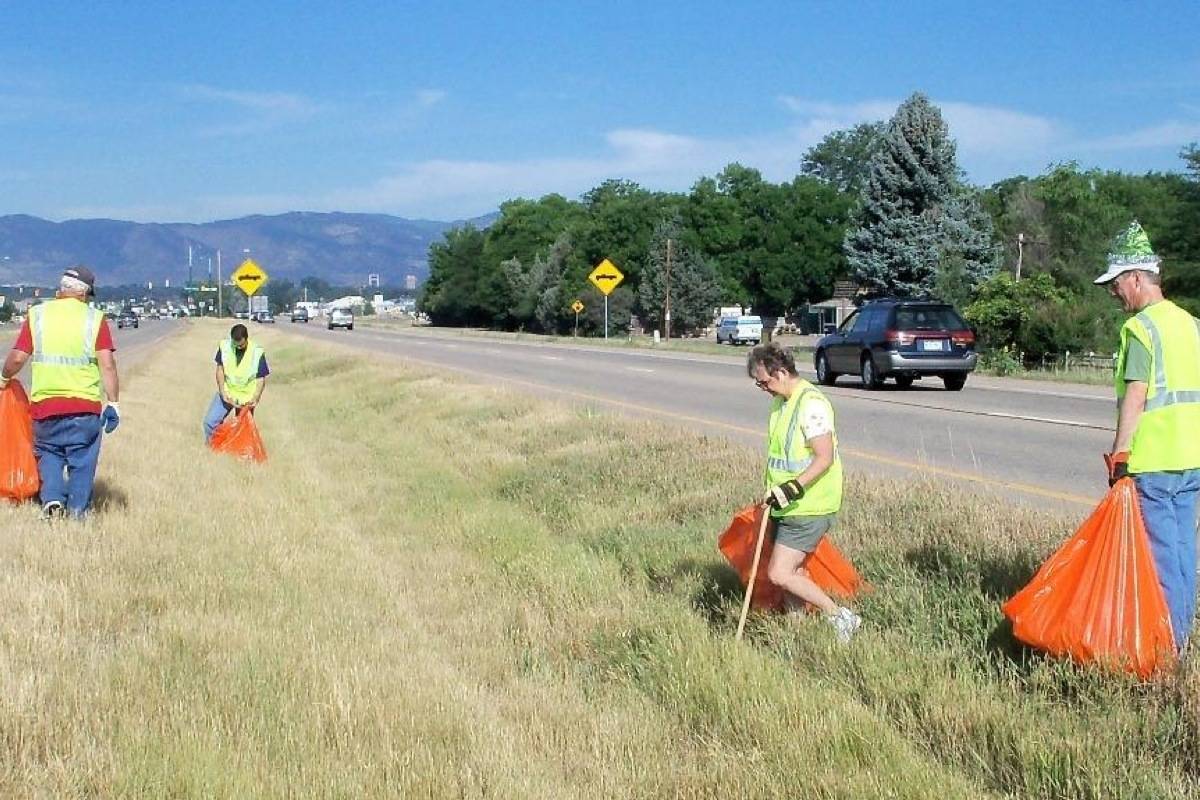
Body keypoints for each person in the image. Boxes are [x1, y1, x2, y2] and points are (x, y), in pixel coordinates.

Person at [1096, 221, 1200, 652]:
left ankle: (1168, 647)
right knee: (1183, 552)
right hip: (1191, 458)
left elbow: (1136, 396)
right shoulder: (1191, 324)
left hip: (1154, 462)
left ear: (1136, 278)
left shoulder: (1140, 329)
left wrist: (1120, 455)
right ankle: (1185, 634)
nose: (1113, 293)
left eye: (1116, 284)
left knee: (1159, 557)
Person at [747, 341, 861, 643]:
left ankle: (840, 616)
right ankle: (796, 636)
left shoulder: (811, 404)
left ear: (782, 372)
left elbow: (824, 457)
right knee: (792, 574)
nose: (763, 388)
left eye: (765, 381)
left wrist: (793, 487)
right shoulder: (782, 401)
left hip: (809, 505)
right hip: (786, 505)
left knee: (779, 573)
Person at [0, 266, 120, 519]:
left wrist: (4, 377)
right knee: (82, 461)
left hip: (45, 406)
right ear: (85, 294)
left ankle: (52, 499)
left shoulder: (37, 315)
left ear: (61, 289)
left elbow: (18, 358)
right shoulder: (95, 319)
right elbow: (107, 364)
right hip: (84, 408)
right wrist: (114, 403)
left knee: (48, 454)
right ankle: (77, 512)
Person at [203, 323, 268, 442]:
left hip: (246, 398)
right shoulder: (225, 346)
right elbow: (220, 370)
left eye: (241, 345)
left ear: (246, 339)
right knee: (209, 422)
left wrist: (256, 398)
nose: (238, 347)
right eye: (235, 344)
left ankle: (239, 455)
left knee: (243, 431)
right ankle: (213, 449)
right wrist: (223, 392)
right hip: (227, 393)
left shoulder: (256, 352)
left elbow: (260, 378)